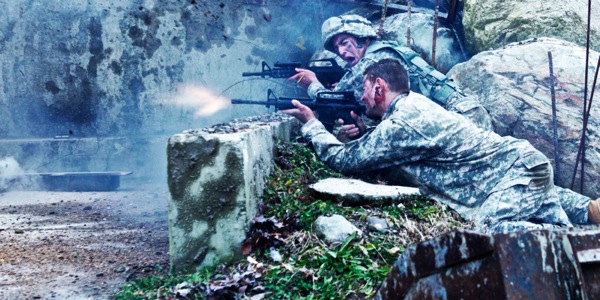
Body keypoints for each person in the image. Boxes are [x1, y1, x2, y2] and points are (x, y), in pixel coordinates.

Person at [283, 58, 599, 233]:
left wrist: (311, 123)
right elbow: (404, 147)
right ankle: (589, 214)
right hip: (517, 169)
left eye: (363, 91)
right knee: (571, 214)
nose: (361, 99)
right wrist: (368, 130)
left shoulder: (401, 124)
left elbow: (345, 161)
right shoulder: (412, 105)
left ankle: (572, 241)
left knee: (487, 229)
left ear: (380, 87)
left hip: (516, 172)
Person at [289, 14, 493, 139]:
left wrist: (312, 82)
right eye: (336, 48)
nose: (341, 52)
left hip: (462, 119)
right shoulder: (384, 50)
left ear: (362, 38)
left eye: (344, 42)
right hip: (464, 113)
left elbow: (327, 100)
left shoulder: (372, 61)